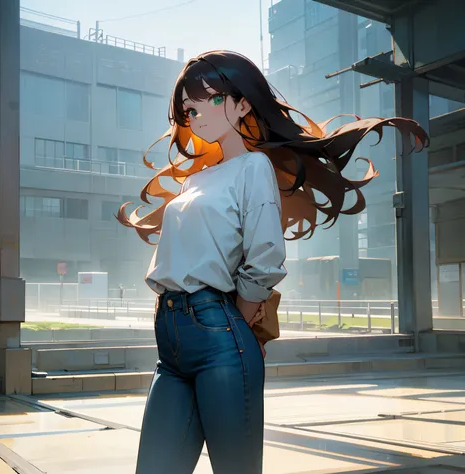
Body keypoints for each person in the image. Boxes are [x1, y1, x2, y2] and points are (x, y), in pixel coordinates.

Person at [117, 50, 428, 474]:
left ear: (243, 103)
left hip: (218, 332)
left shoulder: (253, 167)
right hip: (169, 341)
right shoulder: (195, 179)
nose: (195, 114)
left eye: (208, 99)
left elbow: (264, 257)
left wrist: (237, 322)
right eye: (188, 107)